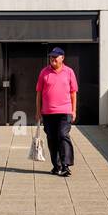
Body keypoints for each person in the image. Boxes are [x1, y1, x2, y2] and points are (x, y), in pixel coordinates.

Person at [35, 46, 77, 176]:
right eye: (51, 57)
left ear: (62, 58)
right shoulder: (44, 72)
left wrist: (73, 110)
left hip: (65, 111)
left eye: (55, 56)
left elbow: (73, 93)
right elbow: (39, 94)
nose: (52, 59)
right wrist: (38, 112)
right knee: (52, 138)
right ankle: (56, 165)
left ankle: (65, 165)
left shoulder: (69, 72)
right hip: (48, 113)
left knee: (63, 135)